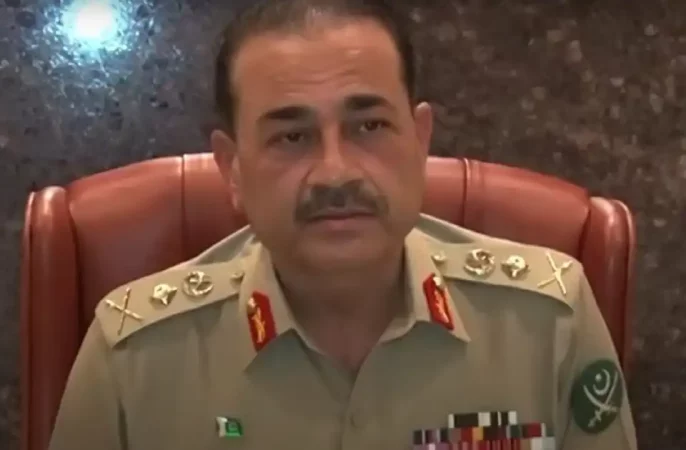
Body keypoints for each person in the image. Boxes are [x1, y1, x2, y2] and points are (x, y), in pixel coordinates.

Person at [48, 0, 637, 449]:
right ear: (233, 169)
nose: (335, 172)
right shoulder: (133, 359)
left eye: (370, 127)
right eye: (292, 136)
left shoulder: (549, 323)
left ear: (419, 141)